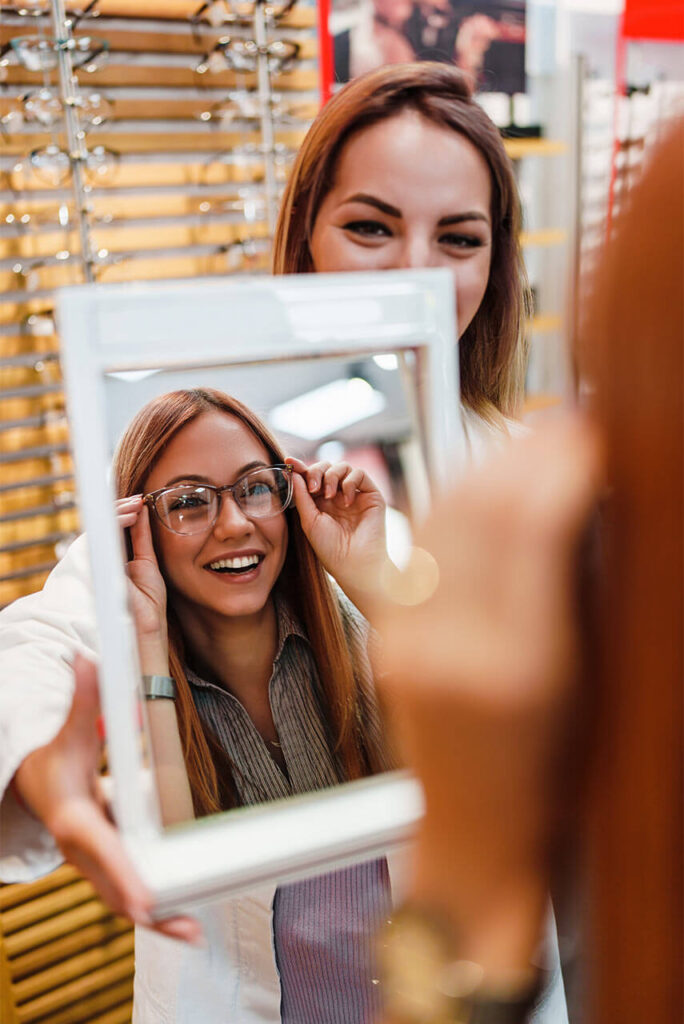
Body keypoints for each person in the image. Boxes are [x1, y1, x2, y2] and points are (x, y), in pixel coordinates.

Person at [0, 63, 568, 1021]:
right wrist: (42, 762)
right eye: (371, 226)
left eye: (459, 238)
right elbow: (50, 635)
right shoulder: (202, 459)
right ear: (304, 237)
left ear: (496, 261)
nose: (416, 272)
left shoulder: (529, 483)